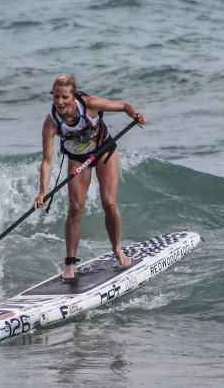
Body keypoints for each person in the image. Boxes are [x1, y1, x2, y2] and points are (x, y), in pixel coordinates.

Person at [33, 75, 146, 281]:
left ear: (74, 95)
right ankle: (70, 263)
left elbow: (125, 105)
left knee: (109, 202)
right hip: (78, 159)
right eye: (56, 97)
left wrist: (135, 115)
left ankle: (117, 249)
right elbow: (47, 161)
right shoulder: (51, 123)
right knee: (75, 209)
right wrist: (43, 191)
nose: (60, 102)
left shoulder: (90, 105)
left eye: (65, 97)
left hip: (104, 151)